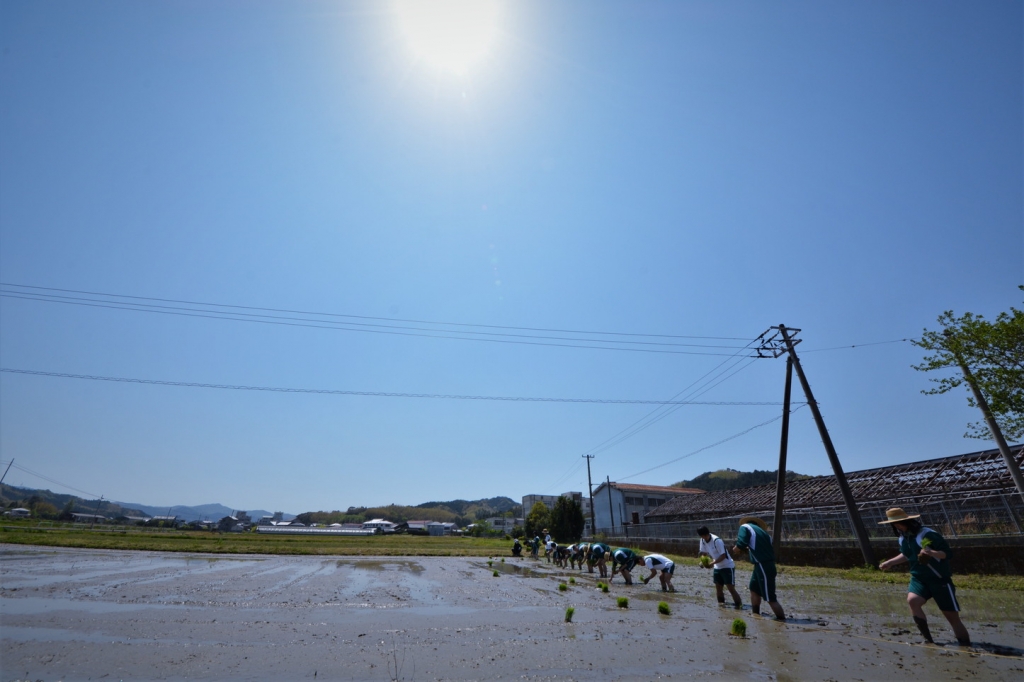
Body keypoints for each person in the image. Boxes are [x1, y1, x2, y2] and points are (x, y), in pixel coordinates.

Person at [878, 507, 970, 646]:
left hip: (939, 579)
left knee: (951, 616)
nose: (898, 527)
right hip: (919, 578)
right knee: (913, 601)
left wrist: (932, 553)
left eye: (900, 523)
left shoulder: (927, 534)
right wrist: (891, 562)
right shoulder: (904, 538)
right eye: (895, 525)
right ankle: (929, 640)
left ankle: (965, 646)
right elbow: (907, 554)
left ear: (908, 521)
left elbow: (946, 554)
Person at [733, 517, 785, 620]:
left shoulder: (745, 527)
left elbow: (741, 543)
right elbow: (758, 547)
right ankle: (756, 615)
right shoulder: (765, 534)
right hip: (761, 565)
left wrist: (736, 549)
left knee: (770, 597)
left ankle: (782, 621)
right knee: (754, 589)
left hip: (763, 565)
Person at [698, 526, 742, 608]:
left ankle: (738, 606)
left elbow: (723, 555)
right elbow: (704, 553)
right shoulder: (702, 541)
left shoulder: (716, 540)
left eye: (704, 536)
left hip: (727, 566)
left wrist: (712, 563)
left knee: (730, 587)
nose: (703, 538)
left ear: (706, 534)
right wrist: (703, 561)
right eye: (701, 536)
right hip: (717, 567)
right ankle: (721, 606)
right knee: (718, 587)